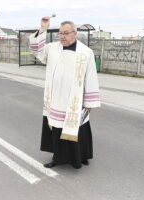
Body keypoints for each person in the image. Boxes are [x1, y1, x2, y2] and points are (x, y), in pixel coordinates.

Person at [29, 17, 101, 169]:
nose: (62, 36)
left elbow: (91, 77)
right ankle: (57, 157)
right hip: (56, 99)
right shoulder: (52, 48)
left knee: (79, 130)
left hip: (75, 101)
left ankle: (82, 156)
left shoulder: (86, 53)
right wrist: (42, 28)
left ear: (75, 33)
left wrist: (89, 103)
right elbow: (36, 51)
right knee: (57, 130)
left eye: (66, 33)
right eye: (60, 33)